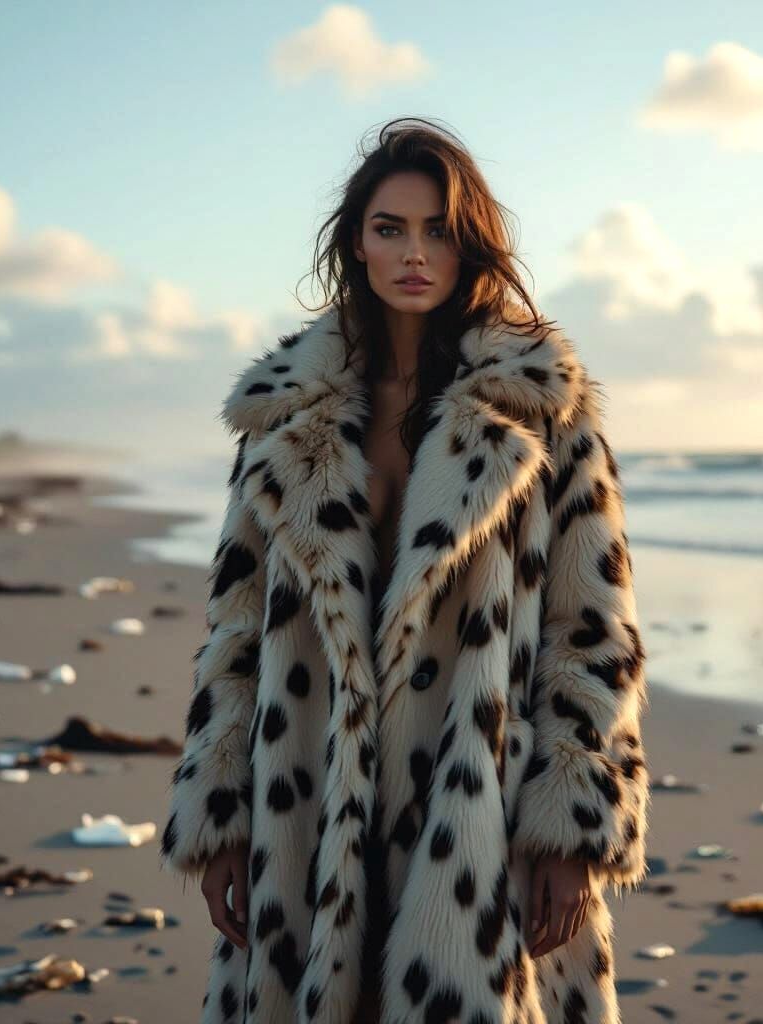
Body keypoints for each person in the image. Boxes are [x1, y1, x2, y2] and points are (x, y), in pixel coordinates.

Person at [158, 117, 650, 1024]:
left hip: (473, 812)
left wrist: (573, 825)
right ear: (357, 241)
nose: (415, 254)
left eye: (439, 231)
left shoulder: (542, 410)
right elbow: (235, 631)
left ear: (471, 245)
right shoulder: (284, 418)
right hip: (307, 803)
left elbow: (592, 633)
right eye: (391, 228)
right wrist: (219, 816)